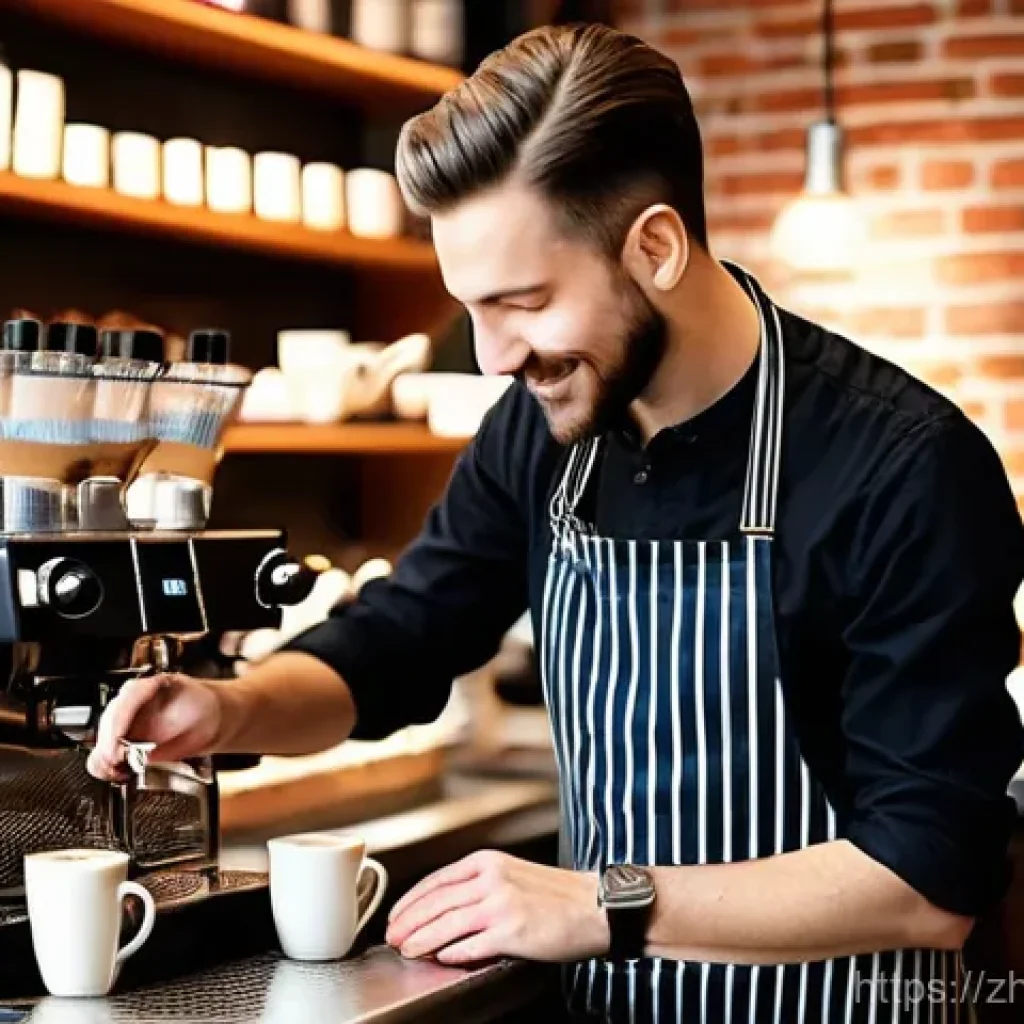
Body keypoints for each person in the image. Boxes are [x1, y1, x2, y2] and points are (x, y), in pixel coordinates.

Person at [88, 23, 1024, 1023]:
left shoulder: (901, 465)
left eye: (522, 302)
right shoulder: (541, 432)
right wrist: (231, 710)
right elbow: (401, 639)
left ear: (655, 246)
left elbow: (929, 879)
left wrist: (600, 901)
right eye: (470, 308)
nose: (492, 355)